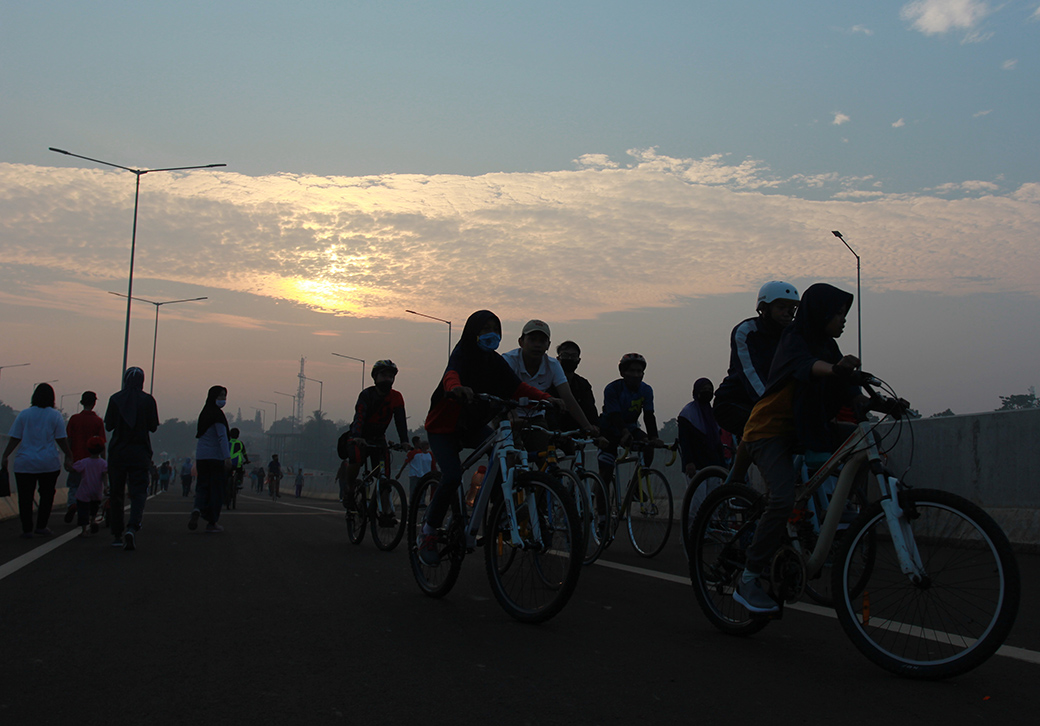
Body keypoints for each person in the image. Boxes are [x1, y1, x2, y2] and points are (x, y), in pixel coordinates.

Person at [734, 283, 907, 614]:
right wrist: (837, 369)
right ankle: (748, 578)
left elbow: (848, 393)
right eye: (838, 313)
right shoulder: (794, 340)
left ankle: (827, 519)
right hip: (769, 431)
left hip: (804, 429)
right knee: (782, 499)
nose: (842, 320)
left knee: (856, 446)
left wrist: (886, 404)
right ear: (820, 313)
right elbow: (807, 367)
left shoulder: (828, 346)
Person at [418, 310, 557, 565]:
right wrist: (456, 389)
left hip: (472, 426)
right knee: (451, 476)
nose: (490, 333)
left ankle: (501, 513)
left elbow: (517, 387)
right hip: (443, 429)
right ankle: (427, 532)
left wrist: (546, 398)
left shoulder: (495, 362)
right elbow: (452, 374)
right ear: (473, 332)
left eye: (495, 328)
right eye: (484, 329)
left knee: (502, 456)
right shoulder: (462, 354)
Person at [713, 281, 800, 483]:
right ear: (764, 308)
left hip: (773, 405)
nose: (788, 313)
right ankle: (734, 485)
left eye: (792, 308)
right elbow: (749, 373)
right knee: (765, 435)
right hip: (734, 402)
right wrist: (774, 404)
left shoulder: (793, 335)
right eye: (781, 307)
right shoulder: (746, 331)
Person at [501, 320, 597, 456]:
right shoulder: (509, 360)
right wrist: (512, 417)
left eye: (542, 341)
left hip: (535, 416)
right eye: (532, 340)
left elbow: (568, 398)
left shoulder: (552, 364)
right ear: (521, 342)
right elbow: (503, 393)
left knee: (545, 458)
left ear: (548, 345)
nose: (537, 345)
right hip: (507, 413)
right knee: (512, 456)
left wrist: (587, 427)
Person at [338, 359, 409, 519]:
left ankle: (386, 512)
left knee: (384, 477)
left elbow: (400, 420)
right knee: (356, 458)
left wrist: (404, 440)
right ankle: (349, 489)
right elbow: (359, 416)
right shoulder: (367, 395)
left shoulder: (396, 397)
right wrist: (357, 436)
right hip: (359, 437)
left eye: (391, 376)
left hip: (378, 439)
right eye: (384, 375)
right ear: (375, 377)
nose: (388, 379)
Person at [2, 383, 74, 538]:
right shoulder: (55, 415)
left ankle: (27, 529)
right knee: (47, 495)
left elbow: (15, 438)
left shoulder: (24, 414)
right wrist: (69, 454)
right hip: (48, 463)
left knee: (25, 497)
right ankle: (41, 526)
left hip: (25, 463)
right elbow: (61, 439)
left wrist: (5, 455)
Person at [103, 367, 160, 550]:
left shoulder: (115, 399)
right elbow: (153, 427)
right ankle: (133, 526)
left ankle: (117, 534)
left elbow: (109, 425)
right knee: (138, 491)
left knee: (117, 493)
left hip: (118, 451)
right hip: (139, 451)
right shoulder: (148, 400)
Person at [597, 353, 662, 488]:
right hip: (609, 429)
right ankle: (602, 507)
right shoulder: (612, 389)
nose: (636, 375)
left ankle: (635, 486)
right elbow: (614, 414)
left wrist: (654, 437)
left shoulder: (646, 390)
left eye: (639, 371)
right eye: (632, 371)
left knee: (648, 446)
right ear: (622, 372)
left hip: (631, 427)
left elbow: (649, 415)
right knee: (606, 475)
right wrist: (624, 432)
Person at [189, 385, 231, 534]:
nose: (223, 399)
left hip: (202, 457)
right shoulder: (217, 415)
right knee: (216, 491)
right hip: (215, 458)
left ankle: (197, 508)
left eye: (224, 396)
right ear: (214, 397)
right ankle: (212, 522)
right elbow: (222, 437)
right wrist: (227, 457)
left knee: (202, 486)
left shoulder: (204, 413)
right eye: (220, 396)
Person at [63, 391, 106, 524]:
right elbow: (101, 443)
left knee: (74, 486)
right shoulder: (98, 421)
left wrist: (67, 457)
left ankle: (72, 504)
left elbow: (68, 440)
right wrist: (103, 461)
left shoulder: (74, 419)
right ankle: (87, 514)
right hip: (92, 462)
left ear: (82, 403)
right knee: (90, 489)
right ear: (94, 403)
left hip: (76, 459)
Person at [677, 378, 726, 478]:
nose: (707, 391)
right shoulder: (687, 414)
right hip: (695, 466)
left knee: (714, 493)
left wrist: (723, 466)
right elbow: (684, 441)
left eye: (709, 389)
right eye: (704, 388)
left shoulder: (713, 415)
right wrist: (688, 462)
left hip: (714, 465)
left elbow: (718, 443)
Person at [554, 340, 598, 437]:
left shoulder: (583, 385)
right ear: (558, 359)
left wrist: (594, 428)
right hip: (553, 433)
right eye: (565, 355)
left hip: (577, 434)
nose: (569, 359)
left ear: (578, 360)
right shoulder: (548, 382)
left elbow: (590, 410)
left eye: (573, 356)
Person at [72, 436, 108, 537]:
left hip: (84, 491)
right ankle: (93, 521)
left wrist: (68, 463)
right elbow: (105, 475)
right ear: (102, 450)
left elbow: (74, 468)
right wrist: (105, 487)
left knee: (83, 511)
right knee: (94, 509)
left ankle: (84, 530)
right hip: (96, 492)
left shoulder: (84, 462)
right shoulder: (103, 463)